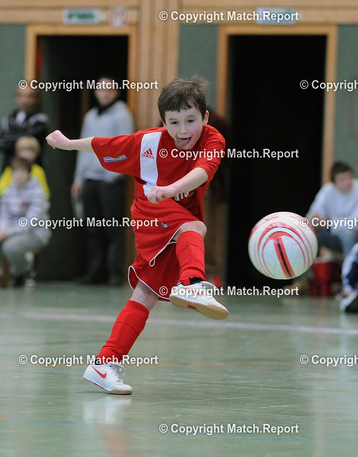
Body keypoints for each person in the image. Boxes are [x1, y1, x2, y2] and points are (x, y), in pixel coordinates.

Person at [46, 76, 229, 394]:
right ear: (163, 122)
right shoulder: (147, 144)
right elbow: (104, 144)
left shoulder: (214, 139)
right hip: (150, 210)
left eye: (190, 120)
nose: (183, 130)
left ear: (205, 117)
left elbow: (203, 171)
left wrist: (172, 188)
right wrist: (68, 143)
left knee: (145, 293)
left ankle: (104, 364)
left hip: (174, 212)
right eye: (174, 122)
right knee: (195, 228)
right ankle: (193, 283)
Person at [72, 76, 134, 285]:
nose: (105, 93)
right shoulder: (90, 115)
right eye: (101, 89)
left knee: (113, 227)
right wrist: (78, 179)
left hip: (110, 181)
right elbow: (82, 147)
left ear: (116, 92)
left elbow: (125, 147)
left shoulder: (122, 114)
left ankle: (115, 274)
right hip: (89, 180)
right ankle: (95, 273)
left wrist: (112, 176)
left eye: (109, 89)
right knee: (92, 228)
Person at [0, 158, 51, 287]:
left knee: (10, 247)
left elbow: (31, 221)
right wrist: (3, 229)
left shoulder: (38, 192)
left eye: (22, 171)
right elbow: (4, 216)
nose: (19, 175)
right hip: (11, 231)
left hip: (36, 232)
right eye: (15, 171)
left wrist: (7, 232)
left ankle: (22, 272)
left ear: (29, 173)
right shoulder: (8, 192)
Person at [307, 161, 358, 256]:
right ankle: (309, 263)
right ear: (334, 182)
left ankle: (351, 264)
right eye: (342, 180)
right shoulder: (327, 190)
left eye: (349, 178)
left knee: (348, 234)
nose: (348, 182)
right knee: (310, 232)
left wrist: (328, 223)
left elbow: (357, 223)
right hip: (333, 234)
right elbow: (313, 214)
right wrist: (314, 218)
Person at [0, 85, 49, 169]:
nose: (25, 100)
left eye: (29, 96)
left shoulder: (40, 120)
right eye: (21, 95)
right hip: (9, 168)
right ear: (16, 98)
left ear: (35, 99)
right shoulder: (7, 120)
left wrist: (9, 138)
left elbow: (29, 137)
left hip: (32, 169)